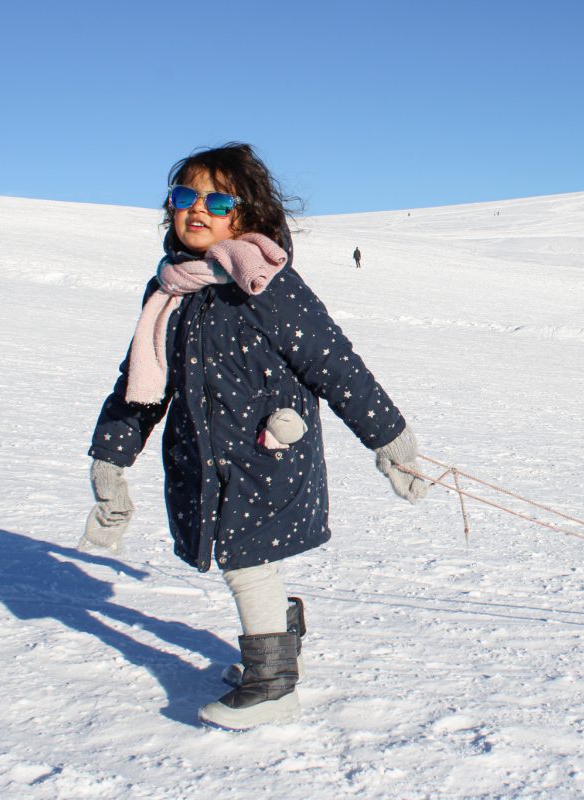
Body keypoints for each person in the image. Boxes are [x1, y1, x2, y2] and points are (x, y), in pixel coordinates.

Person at [81, 143, 430, 730]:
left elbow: (333, 363)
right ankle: (277, 636)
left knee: (245, 559)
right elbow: (142, 383)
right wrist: (112, 456)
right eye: (184, 196)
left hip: (266, 454)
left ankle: (272, 684)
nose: (198, 208)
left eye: (216, 198)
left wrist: (389, 438)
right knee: (239, 556)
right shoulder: (170, 290)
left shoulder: (267, 282)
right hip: (203, 455)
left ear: (243, 214)